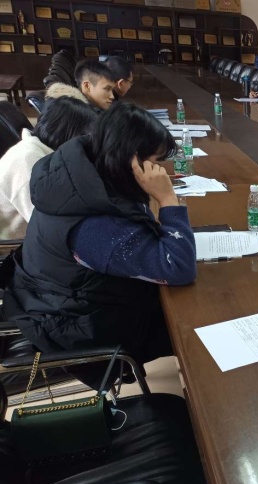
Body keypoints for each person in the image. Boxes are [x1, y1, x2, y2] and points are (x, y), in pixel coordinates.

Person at [2, 102, 196, 388]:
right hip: (79, 325)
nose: (159, 170)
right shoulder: (92, 227)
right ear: (132, 160)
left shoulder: (80, 175)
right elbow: (178, 267)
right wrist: (168, 200)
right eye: (155, 161)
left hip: (63, 297)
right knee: (194, 317)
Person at [0, 97, 96, 239]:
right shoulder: (27, 161)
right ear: (69, 135)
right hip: (13, 244)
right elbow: (49, 228)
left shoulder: (48, 156)